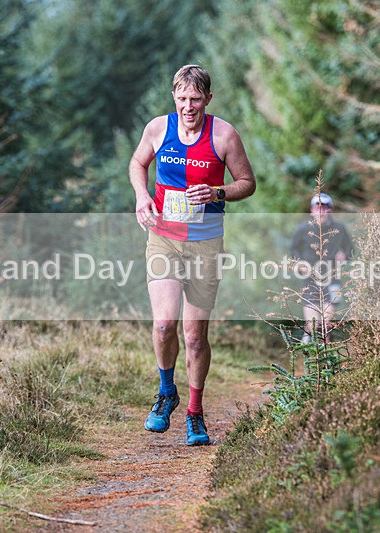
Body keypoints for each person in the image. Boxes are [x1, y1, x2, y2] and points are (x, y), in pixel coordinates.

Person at [129, 64, 256, 446]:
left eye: (196, 99)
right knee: (165, 325)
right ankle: (167, 392)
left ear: (208, 99)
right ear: (174, 97)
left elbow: (247, 184)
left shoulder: (223, 135)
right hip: (164, 238)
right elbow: (137, 163)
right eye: (182, 98)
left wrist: (218, 193)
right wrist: (141, 196)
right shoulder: (157, 128)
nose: (188, 106)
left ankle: (195, 413)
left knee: (195, 336)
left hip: (205, 243)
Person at [289, 193, 354, 343]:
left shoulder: (339, 229)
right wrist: (299, 264)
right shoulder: (303, 229)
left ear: (330, 210)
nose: (321, 211)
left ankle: (327, 356)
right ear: (311, 210)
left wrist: (344, 255)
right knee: (312, 325)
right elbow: (293, 250)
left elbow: (350, 249)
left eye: (325, 208)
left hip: (333, 279)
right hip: (310, 280)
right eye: (317, 207)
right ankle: (307, 356)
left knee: (326, 325)